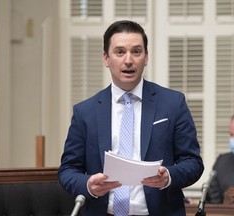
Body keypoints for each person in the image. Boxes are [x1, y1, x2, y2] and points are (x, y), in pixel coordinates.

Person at [58, 20, 204, 216]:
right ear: (106, 58)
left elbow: (193, 162)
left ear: (146, 57)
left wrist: (168, 176)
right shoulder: (85, 112)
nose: (129, 60)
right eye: (120, 52)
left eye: (136, 51)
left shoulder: (172, 103)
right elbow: (67, 170)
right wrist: (88, 185)